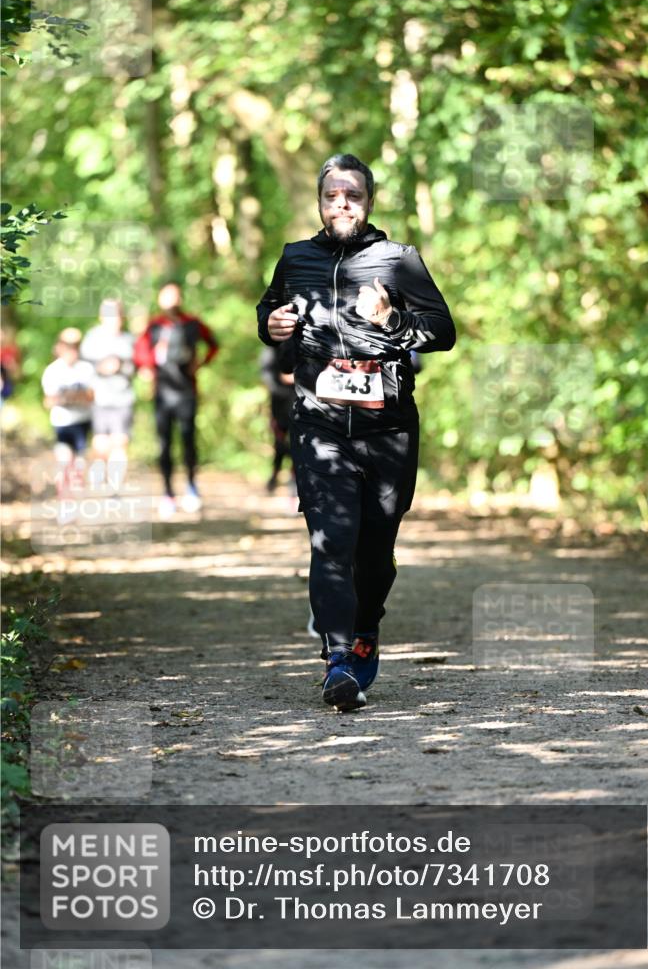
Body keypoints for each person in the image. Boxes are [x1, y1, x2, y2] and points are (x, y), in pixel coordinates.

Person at [257, 153, 456, 711]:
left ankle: (366, 623)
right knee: (331, 541)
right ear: (320, 202)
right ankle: (338, 659)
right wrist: (271, 326)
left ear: (369, 201)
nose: (341, 203)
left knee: (375, 549)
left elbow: (442, 332)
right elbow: (270, 311)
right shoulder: (296, 258)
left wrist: (390, 321)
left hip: (387, 427)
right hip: (319, 421)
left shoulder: (398, 260)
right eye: (331, 196)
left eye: (353, 195)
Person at [134, 281, 219, 518]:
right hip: (162, 393)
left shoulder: (192, 323)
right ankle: (168, 493)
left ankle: (192, 488)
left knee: (188, 440)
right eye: (166, 295)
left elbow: (213, 345)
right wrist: (148, 367)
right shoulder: (154, 326)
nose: (171, 299)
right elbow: (139, 352)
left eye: (175, 294)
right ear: (160, 298)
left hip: (186, 391)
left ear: (180, 297)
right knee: (164, 444)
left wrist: (200, 363)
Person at [80, 298, 135, 491]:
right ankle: (99, 477)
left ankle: (115, 486)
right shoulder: (92, 338)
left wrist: (122, 367)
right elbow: (83, 365)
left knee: (120, 442)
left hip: (123, 398)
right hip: (99, 398)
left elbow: (136, 365)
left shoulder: (129, 340)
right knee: (101, 444)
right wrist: (101, 367)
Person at [41, 327, 94, 503]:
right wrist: (72, 396)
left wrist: (65, 397)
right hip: (62, 423)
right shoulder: (52, 370)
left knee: (79, 464)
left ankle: (75, 497)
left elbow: (90, 396)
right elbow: (49, 400)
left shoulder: (86, 368)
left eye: (75, 346)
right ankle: (65, 498)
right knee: (64, 460)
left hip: (83, 422)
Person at [259, 342, 296, 493]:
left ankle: (293, 482)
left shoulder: (303, 344)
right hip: (279, 408)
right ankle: (274, 476)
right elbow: (267, 377)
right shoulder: (271, 350)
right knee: (280, 445)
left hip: (300, 405)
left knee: (298, 444)